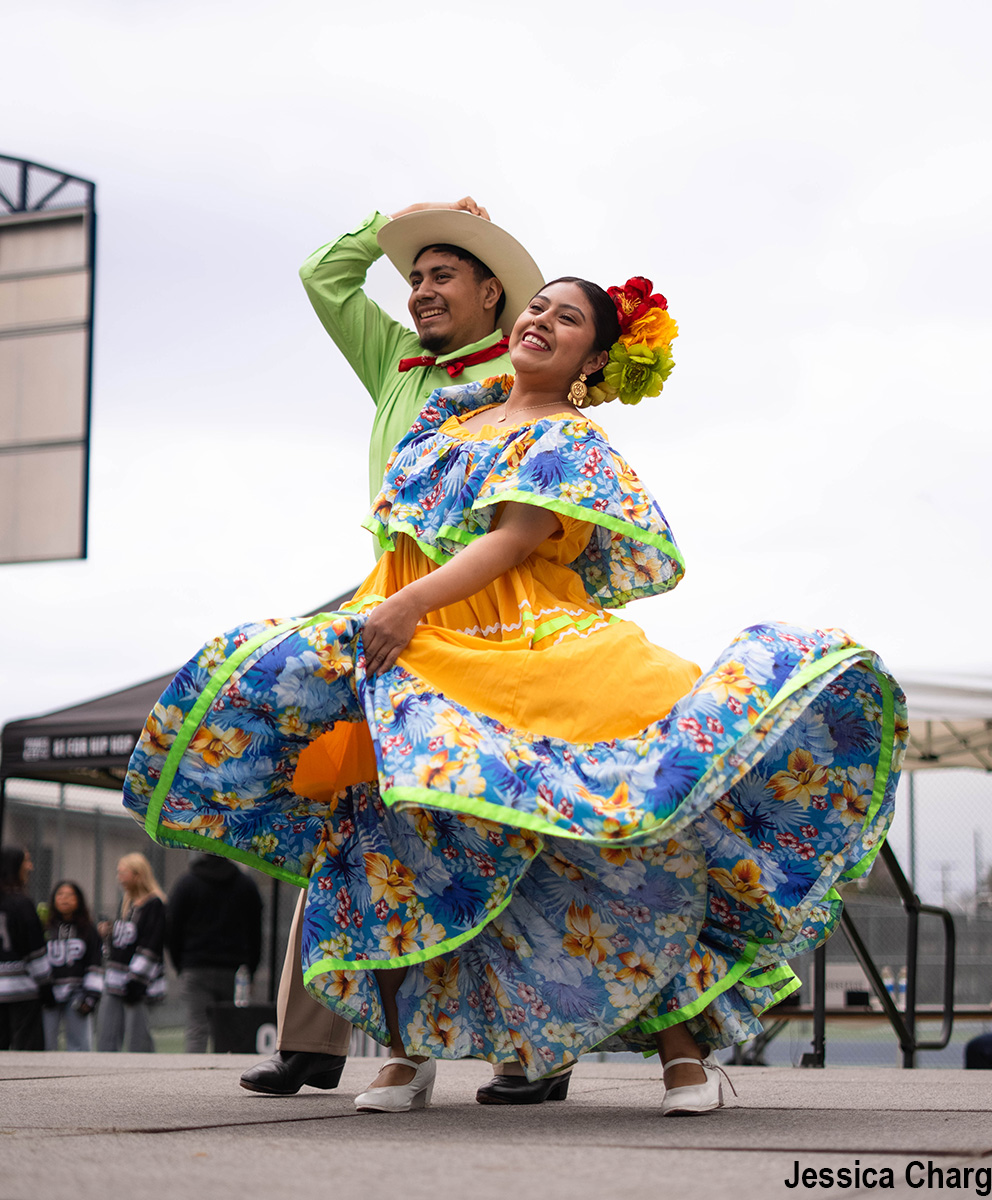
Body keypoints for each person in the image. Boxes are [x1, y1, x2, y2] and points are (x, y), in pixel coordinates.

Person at [124, 274, 906, 1115]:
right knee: (395, 830)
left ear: (593, 357)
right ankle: (405, 1055)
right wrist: (382, 613)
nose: (541, 321)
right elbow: (402, 539)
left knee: (607, 836)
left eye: (567, 319)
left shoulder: (573, 440)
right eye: (538, 307)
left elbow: (514, 539)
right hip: (418, 643)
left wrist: (408, 605)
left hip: (522, 648)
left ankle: (685, 1059)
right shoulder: (450, 420)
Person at [237, 198, 544, 1099]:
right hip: (385, 611)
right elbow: (320, 276)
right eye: (414, 278)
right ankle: (311, 1041)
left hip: (485, 621)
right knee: (352, 814)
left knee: (492, 823)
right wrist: (395, 222)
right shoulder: (397, 364)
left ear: (493, 293)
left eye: (441, 275)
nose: (419, 293)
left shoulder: (520, 375)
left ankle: (531, 1054)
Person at [166, 854, 263, 1052]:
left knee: (197, 1029)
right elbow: (255, 931)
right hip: (233, 969)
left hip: (195, 966)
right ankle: (223, 1075)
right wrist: (252, 969)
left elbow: (172, 928)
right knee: (228, 1029)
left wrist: (180, 964)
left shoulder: (186, 883)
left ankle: (193, 1077)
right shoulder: (245, 884)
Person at [96, 853, 166, 1053]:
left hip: (138, 982)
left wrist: (137, 979)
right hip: (115, 978)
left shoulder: (155, 904)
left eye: (123, 873)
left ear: (138, 875)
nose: (119, 878)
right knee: (107, 1033)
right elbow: (123, 940)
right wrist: (107, 932)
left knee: (138, 1037)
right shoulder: (125, 903)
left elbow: (152, 943)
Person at [0, 846, 53, 1051]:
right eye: (27, 861)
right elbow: (34, 951)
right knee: (28, 1054)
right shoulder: (21, 903)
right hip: (21, 990)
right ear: (15, 867)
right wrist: (46, 986)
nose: (30, 866)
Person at [43, 880, 104, 1052]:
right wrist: (42, 989)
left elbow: (95, 963)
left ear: (79, 900)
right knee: (46, 1043)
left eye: (70, 895)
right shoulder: (46, 928)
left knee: (80, 1045)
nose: (64, 899)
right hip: (49, 994)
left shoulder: (87, 929)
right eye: (60, 895)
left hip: (77, 993)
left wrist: (91, 997)